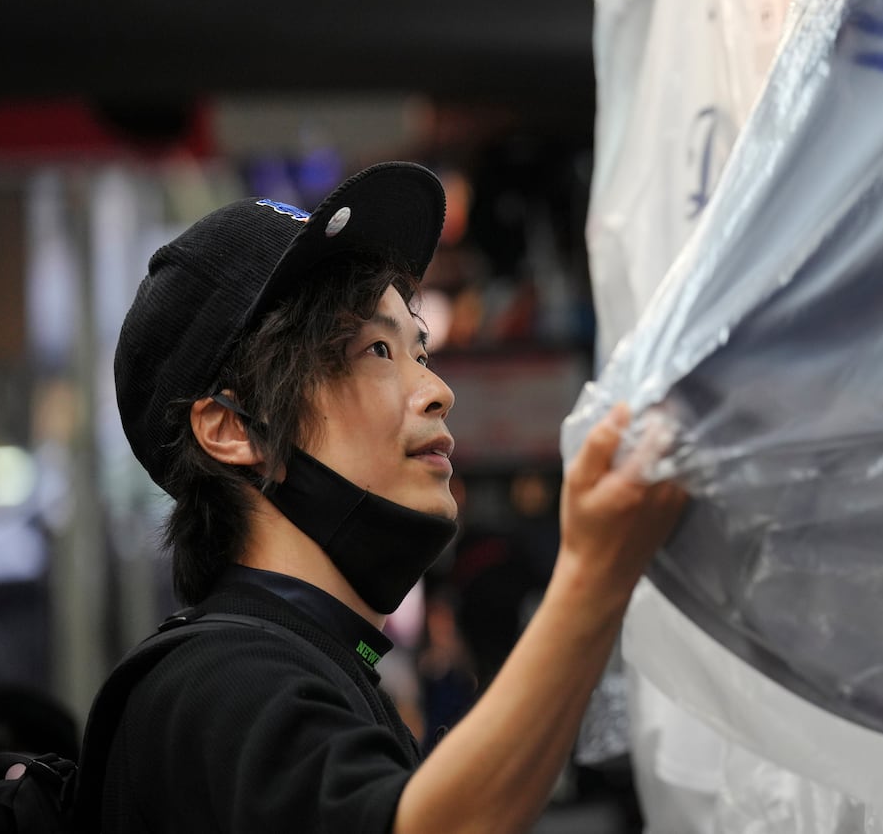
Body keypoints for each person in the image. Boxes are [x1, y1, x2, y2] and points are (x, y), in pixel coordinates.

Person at [100, 161, 687, 833]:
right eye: (377, 350)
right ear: (233, 428)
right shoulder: (219, 683)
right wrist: (595, 575)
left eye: (421, 351)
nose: (437, 390)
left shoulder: (314, 662)